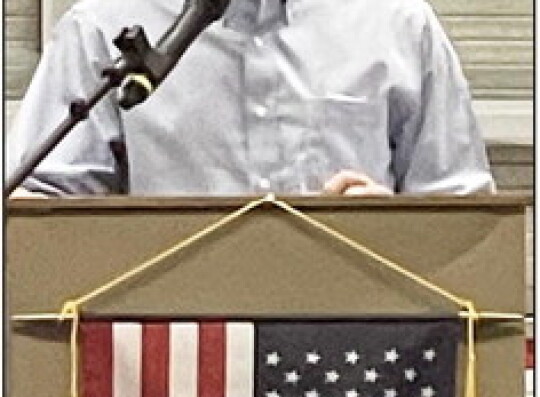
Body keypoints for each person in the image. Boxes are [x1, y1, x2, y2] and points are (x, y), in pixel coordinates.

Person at [7, 0, 495, 197]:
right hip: (166, 362)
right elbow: (40, 214)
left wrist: (399, 235)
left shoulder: (396, 24)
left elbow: (464, 218)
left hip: (356, 359)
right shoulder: (100, 27)